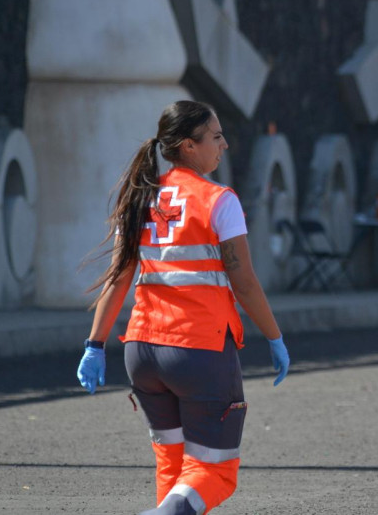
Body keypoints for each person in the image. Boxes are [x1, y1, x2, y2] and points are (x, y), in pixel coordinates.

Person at [75, 100, 290, 515]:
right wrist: (275, 337)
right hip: (198, 350)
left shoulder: (140, 199)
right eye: (216, 136)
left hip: (142, 352)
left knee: (173, 468)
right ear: (189, 146)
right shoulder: (218, 200)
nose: (224, 145)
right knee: (216, 470)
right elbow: (242, 281)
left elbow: (119, 279)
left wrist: (95, 345)